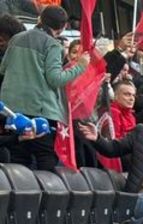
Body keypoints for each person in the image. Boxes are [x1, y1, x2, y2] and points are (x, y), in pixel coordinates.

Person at [0, 5, 88, 171]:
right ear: (62, 28)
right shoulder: (53, 45)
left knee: (17, 157)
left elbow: (3, 69)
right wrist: (80, 67)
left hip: (11, 111)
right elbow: (55, 79)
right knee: (45, 157)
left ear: (40, 19)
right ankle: (46, 197)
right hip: (40, 112)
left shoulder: (16, 38)